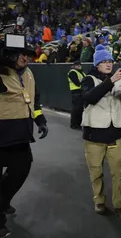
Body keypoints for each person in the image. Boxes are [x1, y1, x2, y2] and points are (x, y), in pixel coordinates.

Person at [80, 44, 121, 221]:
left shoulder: (119, 79)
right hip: (94, 136)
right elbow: (89, 97)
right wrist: (110, 81)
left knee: (119, 173)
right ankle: (99, 200)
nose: (108, 64)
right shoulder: (88, 79)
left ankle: (120, 205)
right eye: (104, 61)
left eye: (110, 61)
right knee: (96, 171)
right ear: (97, 64)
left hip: (115, 135)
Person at [0, 36, 49, 238]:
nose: (25, 58)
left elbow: (34, 101)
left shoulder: (28, 74)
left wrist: (40, 120)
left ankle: (2, 201)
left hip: (20, 133)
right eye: (20, 54)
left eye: (28, 55)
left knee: (20, 170)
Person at [67, 61, 86, 129]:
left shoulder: (81, 72)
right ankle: (74, 124)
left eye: (79, 65)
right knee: (76, 109)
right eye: (77, 65)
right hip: (76, 91)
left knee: (80, 109)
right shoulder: (72, 72)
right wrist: (84, 84)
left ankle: (78, 123)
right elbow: (77, 83)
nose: (79, 66)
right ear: (74, 66)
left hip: (81, 92)